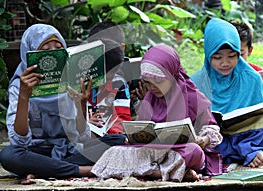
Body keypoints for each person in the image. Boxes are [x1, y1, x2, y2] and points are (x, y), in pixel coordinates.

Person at [0, 24, 126, 184]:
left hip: (70, 151)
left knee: (118, 140)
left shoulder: (70, 80)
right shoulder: (19, 86)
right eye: (45, 50)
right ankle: (82, 170)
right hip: (36, 153)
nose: (53, 54)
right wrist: (24, 97)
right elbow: (19, 142)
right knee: (9, 155)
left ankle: (45, 171)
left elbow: (83, 137)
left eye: (58, 48)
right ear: (29, 53)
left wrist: (81, 104)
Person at [90, 44, 223, 182]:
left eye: (159, 81)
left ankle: (155, 171)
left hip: (181, 151)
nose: (153, 87)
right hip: (152, 152)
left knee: (194, 151)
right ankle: (168, 172)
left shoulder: (193, 97)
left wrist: (204, 139)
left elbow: (212, 127)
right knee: (115, 151)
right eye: (148, 82)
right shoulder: (150, 98)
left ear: (172, 75)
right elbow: (142, 130)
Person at [191, 18, 263, 168]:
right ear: (208, 55)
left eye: (231, 56)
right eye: (217, 57)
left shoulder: (251, 76)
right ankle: (249, 151)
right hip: (214, 135)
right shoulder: (196, 82)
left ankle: (243, 151)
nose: (225, 63)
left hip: (243, 130)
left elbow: (262, 111)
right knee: (199, 142)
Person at [86, 22, 132, 135]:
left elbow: (122, 119)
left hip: (108, 136)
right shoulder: (78, 83)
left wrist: (111, 133)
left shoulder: (118, 83)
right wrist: (86, 125)